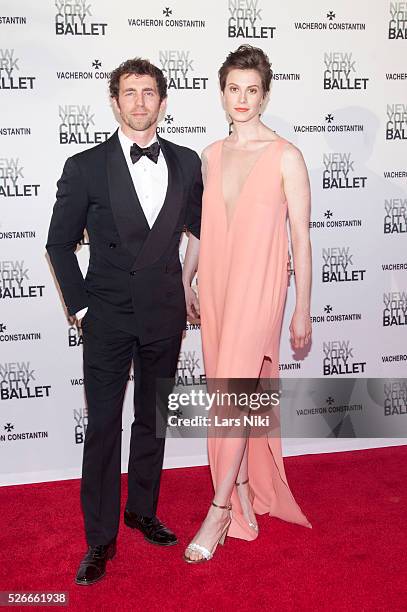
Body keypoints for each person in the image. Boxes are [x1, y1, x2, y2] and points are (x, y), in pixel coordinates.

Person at [46, 57, 202, 584]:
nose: (140, 102)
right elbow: (58, 244)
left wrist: (188, 285)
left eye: (149, 92)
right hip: (108, 316)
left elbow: (199, 233)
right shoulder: (85, 166)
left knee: (152, 421)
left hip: (164, 313)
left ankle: (141, 509)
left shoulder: (185, 163)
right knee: (104, 428)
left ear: (163, 101)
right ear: (115, 101)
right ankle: (99, 539)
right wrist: (84, 308)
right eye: (130, 93)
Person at [184, 45, 312, 563]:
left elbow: (300, 238)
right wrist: (186, 278)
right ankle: (237, 489)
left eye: (251, 90)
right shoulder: (210, 155)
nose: (242, 99)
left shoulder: (287, 155)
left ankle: (217, 510)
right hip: (215, 283)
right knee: (227, 390)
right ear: (222, 93)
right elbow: (200, 228)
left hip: (260, 286)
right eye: (233, 89)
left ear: (265, 94)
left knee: (237, 390)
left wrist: (304, 307)